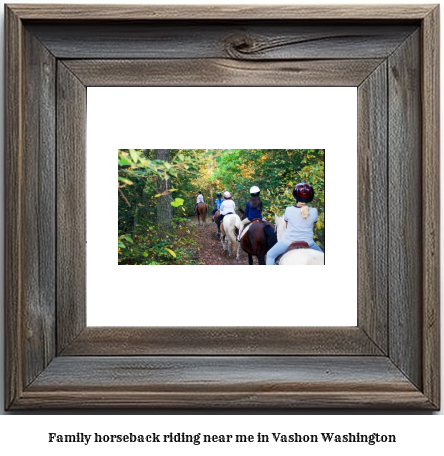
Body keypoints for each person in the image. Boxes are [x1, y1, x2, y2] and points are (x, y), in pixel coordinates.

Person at [266, 182, 323, 265]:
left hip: (288, 242)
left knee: (270, 255)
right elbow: (313, 226)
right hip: (309, 243)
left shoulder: (288, 210)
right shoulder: (314, 211)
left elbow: (287, 225)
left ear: (295, 197)